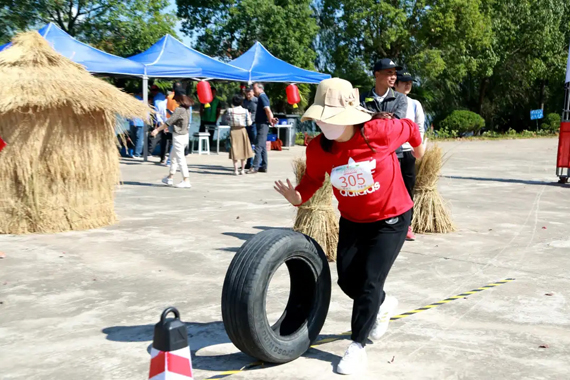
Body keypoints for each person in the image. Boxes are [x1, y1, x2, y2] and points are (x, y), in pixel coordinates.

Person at [274, 78, 424, 376]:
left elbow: (409, 127)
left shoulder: (379, 131)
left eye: (332, 118)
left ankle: (357, 346)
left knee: (369, 281)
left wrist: (418, 151)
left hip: (391, 218)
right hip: (353, 220)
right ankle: (382, 303)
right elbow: (313, 180)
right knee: (348, 281)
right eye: (321, 119)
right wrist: (297, 197)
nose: (325, 125)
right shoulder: (318, 148)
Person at [394, 69, 426, 241]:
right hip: (391, 153)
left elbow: (419, 127)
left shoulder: (415, 104)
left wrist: (417, 147)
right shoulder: (390, 102)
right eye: (404, 81)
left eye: (410, 82)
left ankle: (407, 225)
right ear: (395, 84)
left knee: (408, 189)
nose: (407, 85)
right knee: (390, 188)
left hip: (408, 152)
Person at [150, 94, 194, 189]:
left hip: (179, 137)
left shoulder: (179, 110)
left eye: (176, 100)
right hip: (184, 136)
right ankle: (170, 177)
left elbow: (168, 122)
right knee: (173, 157)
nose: (175, 102)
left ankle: (186, 180)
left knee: (180, 159)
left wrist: (157, 130)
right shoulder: (187, 109)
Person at [248, 83, 278, 174]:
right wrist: (271, 119)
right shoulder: (261, 97)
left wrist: (271, 120)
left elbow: (268, 110)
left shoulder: (262, 97)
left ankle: (255, 167)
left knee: (258, 145)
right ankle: (264, 166)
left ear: (260, 88)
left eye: (254, 88)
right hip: (261, 123)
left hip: (262, 124)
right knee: (263, 146)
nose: (253, 91)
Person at [223, 94, 254, 175]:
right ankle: (243, 170)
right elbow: (249, 123)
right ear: (241, 102)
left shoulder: (229, 110)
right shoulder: (245, 111)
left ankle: (236, 170)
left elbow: (227, 121)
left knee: (234, 150)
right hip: (242, 130)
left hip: (233, 131)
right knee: (243, 150)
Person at [150, 84, 170, 165]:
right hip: (167, 123)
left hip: (163, 123)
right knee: (167, 141)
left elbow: (157, 114)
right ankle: (165, 157)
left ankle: (163, 158)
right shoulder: (165, 102)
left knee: (163, 141)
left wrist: (163, 124)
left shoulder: (158, 101)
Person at [242, 87, 258, 169]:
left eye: (250, 91)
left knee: (256, 144)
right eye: (247, 91)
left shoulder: (257, 100)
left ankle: (258, 163)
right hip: (246, 125)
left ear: (253, 92)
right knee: (248, 144)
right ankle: (249, 163)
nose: (248, 93)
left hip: (254, 124)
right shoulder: (244, 102)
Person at [128, 91, 145, 158]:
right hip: (140, 122)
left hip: (132, 122)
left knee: (133, 138)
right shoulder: (142, 102)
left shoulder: (131, 101)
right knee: (139, 139)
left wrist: (132, 120)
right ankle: (137, 153)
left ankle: (132, 152)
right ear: (141, 93)